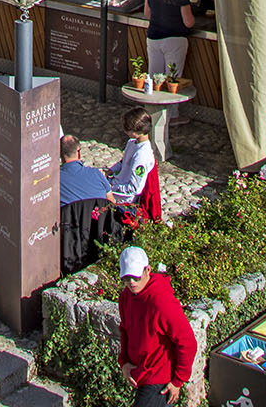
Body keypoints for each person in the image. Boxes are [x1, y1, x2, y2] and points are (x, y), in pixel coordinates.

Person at [116, 245, 196, 406]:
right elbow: (125, 330)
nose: (131, 283)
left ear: (148, 270)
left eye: (136, 278)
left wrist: (178, 381)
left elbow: (187, 342)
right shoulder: (126, 297)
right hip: (140, 373)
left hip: (159, 380)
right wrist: (124, 362)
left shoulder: (162, 301)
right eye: (126, 279)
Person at [143, 0, 195, 78]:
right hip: (174, 40)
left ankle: (154, 95)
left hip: (153, 38)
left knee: (154, 77)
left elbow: (147, 14)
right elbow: (189, 23)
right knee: (172, 78)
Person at [107, 108, 156, 204]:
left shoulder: (142, 155)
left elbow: (134, 188)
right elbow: (123, 161)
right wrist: (110, 171)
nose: (125, 131)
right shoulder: (132, 143)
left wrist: (112, 187)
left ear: (138, 131)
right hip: (118, 182)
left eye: (128, 130)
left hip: (124, 196)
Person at [59, 135, 114, 205]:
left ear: (59, 153)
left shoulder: (55, 180)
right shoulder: (96, 174)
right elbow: (111, 202)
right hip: (98, 215)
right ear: (79, 152)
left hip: (70, 215)